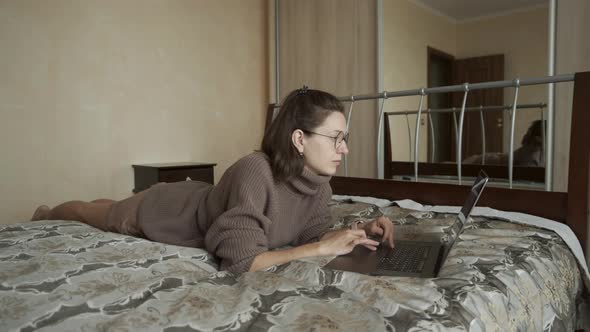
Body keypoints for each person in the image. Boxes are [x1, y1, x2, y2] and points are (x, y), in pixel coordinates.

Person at [31, 87, 395, 273]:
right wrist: (317, 251)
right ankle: (46, 213)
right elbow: (241, 262)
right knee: (94, 211)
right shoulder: (256, 171)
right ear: (300, 139)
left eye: (344, 138)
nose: (344, 149)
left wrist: (361, 230)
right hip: (165, 211)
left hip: (200, 197)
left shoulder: (319, 186)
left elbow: (310, 235)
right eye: (336, 138)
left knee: (103, 205)